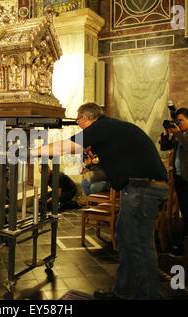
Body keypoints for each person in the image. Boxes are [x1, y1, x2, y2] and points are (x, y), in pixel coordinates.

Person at [30, 102, 168, 300]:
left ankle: (146, 296)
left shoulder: (101, 127)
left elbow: (67, 146)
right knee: (125, 239)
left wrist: (32, 151)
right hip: (141, 189)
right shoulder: (112, 128)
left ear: (85, 118)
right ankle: (123, 293)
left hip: (142, 190)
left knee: (138, 245)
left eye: (78, 121)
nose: (78, 125)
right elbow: (117, 159)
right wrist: (93, 165)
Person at [159, 107, 188, 255]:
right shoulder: (180, 135)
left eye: (181, 120)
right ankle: (185, 239)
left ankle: (187, 243)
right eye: (177, 121)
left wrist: (178, 133)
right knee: (184, 210)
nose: (179, 123)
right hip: (179, 177)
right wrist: (167, 134)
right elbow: (164, 147)